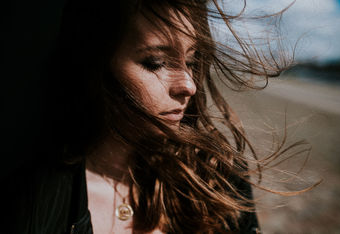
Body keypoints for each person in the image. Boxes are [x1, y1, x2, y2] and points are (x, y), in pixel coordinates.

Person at [4, 0, 294, 233]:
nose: (189, 86)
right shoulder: (35, 200)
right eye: (155, 62)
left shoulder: (217, 179)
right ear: (94, 64)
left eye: (192, 61)